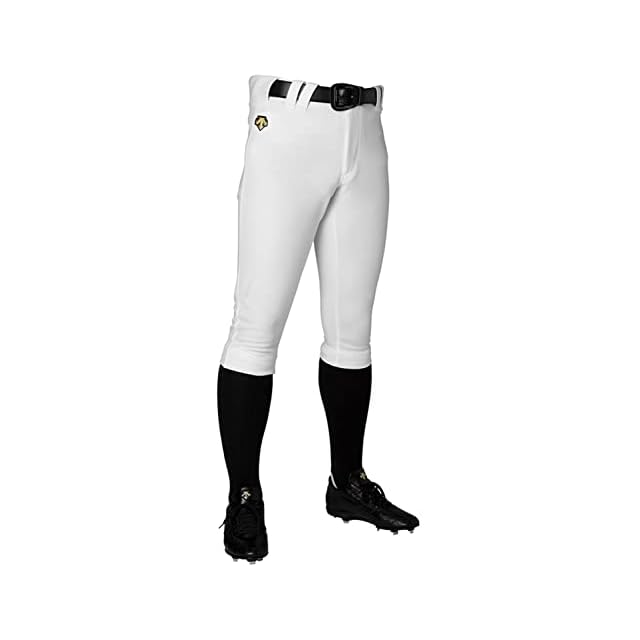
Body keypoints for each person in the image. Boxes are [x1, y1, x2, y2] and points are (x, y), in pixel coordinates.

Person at [218, 76, 419, 563]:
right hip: (289, 122)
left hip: (366, 124)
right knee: (256, 330)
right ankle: (244, 496)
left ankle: (346, 482)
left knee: (352, 331)